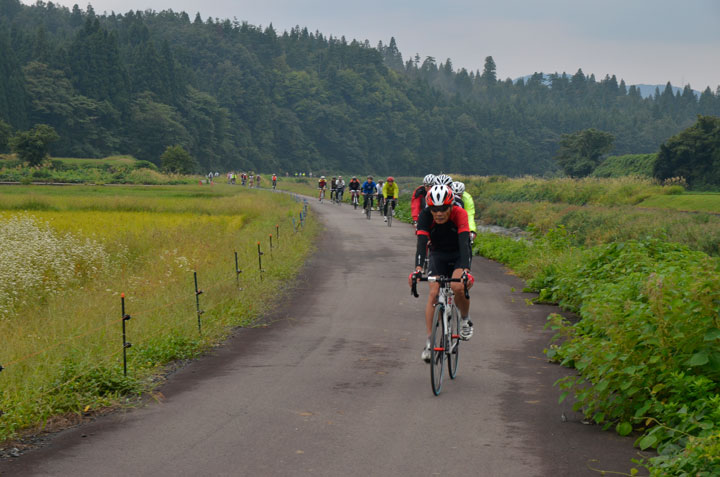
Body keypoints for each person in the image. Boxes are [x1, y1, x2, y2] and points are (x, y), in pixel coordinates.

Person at [409, 184, 474, 363]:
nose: (439, 213)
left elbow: (464, 243)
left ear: (451, 206)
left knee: (457, 286)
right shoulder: (425, 216)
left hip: (458, 253)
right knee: (433, 292)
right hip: (438, 254)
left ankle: (465, 320)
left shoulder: (460, 214)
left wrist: (466, 271)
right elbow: (422, 244)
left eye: (443, 208)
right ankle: (430, 343)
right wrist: (418, 270)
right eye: (435, 209)